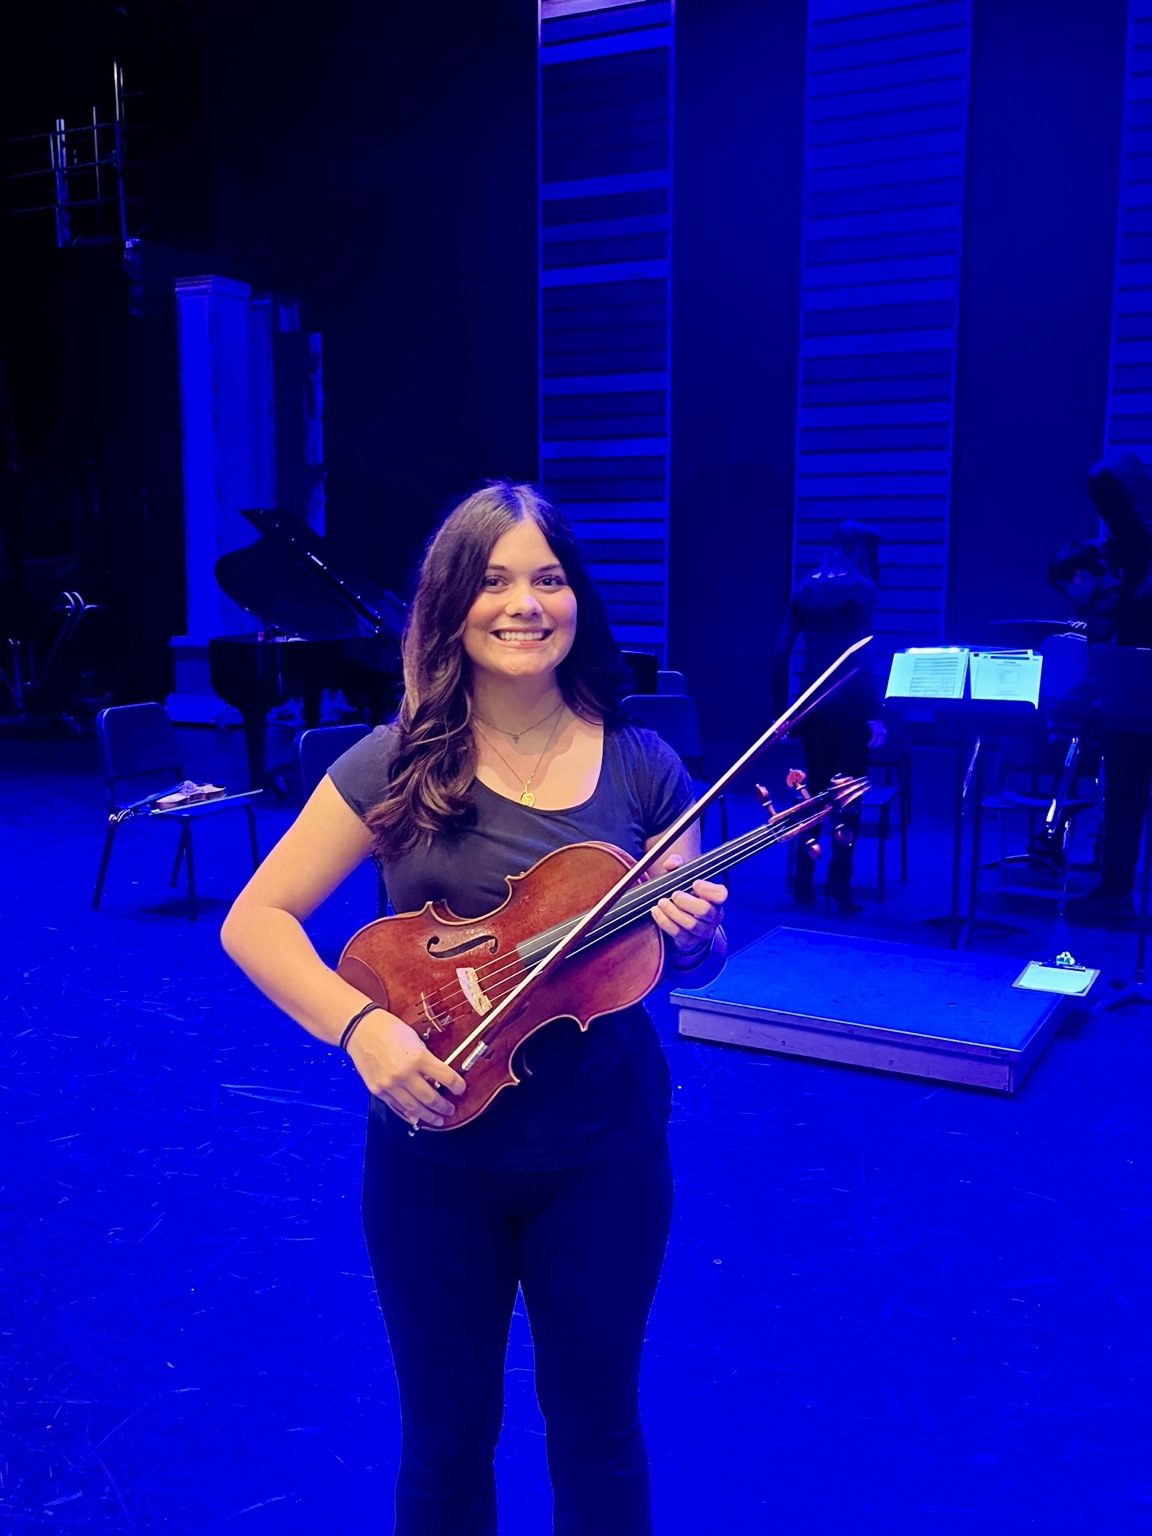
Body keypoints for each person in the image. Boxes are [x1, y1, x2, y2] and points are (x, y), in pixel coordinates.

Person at [220, 481, 728, 1536]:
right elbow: (257, 919)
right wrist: (361, 1028)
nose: (524, 603)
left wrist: (698, 936)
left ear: (576, 599)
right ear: (451, 604)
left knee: (598, 1435)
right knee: (446, 1445)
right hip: (434, 1160)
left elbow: (697, 962)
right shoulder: (397, 760)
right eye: (493, 580)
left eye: (548, 578)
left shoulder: (644, 765)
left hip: (603, 1157)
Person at [771, 519, 886, 913]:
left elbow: (779, 654)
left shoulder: (805, 587)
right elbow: (862, 657)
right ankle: (839, 882)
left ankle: (802, 880)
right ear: (864, 553)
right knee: (848, 796)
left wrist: (781, 713)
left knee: (813, 790)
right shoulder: (861, 590)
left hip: (811, 705)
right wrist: (874, 714)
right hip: (850, 704)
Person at [1047, 534, 1152, 921]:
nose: (1069, 599)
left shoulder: (1114, 605)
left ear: (1078, 577)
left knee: (1124, 802)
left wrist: (1060, 700)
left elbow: (1099, 670)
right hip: (1129, 714)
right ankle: (1109, 877)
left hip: (1130, 717)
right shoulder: (1123, 596)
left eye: (1065, 588)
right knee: (1121, 800)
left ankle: (1115, 891)